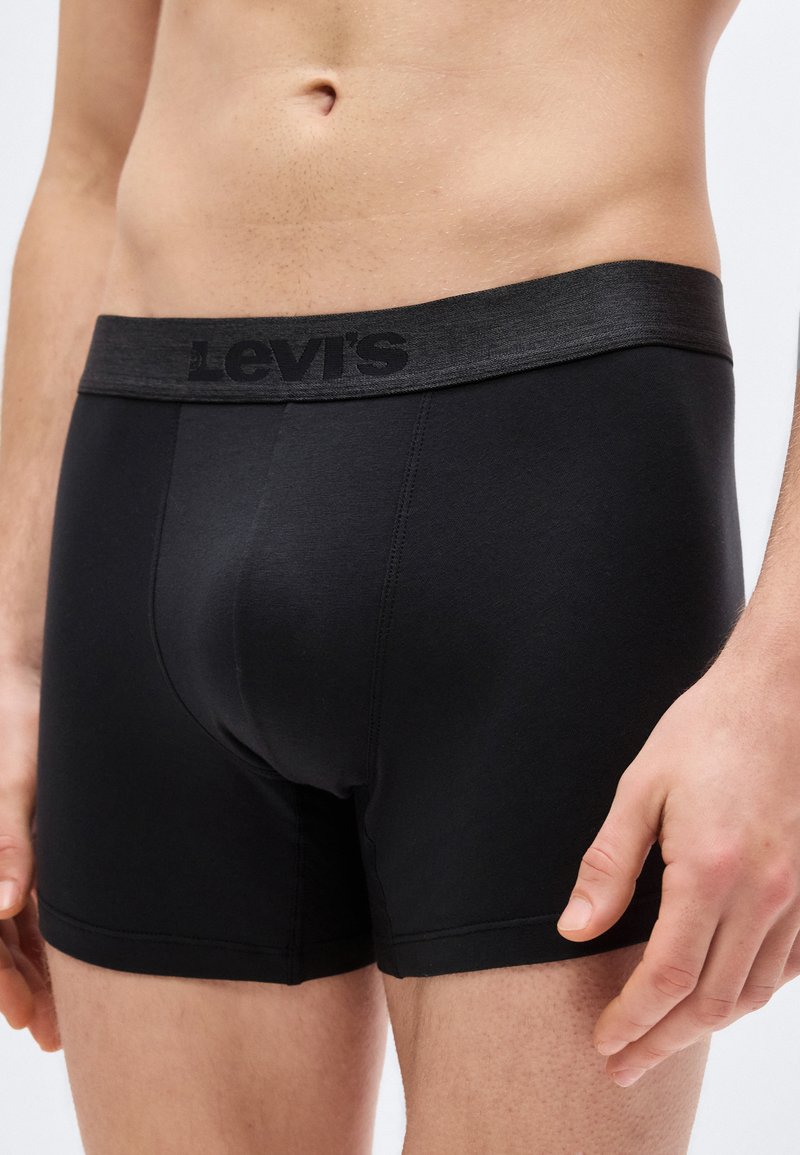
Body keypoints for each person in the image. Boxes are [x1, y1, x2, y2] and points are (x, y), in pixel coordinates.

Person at [1, 0, 798, 1152]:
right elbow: (87, 151)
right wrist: (16, 659)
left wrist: (781, 676)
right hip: (144, 481)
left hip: (546, 474)